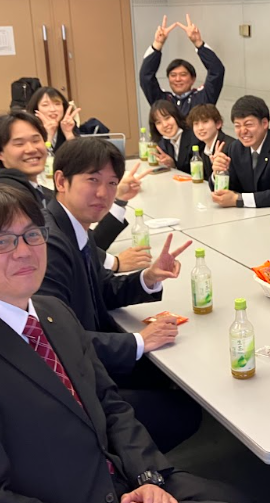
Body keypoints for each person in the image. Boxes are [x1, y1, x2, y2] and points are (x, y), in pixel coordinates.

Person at [0, 185, 255, 503]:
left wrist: (147, 476)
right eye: (2, 242)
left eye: (32, 235)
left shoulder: (52, 313)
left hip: (112, 475)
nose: (24, 251)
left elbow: (109, 403)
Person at [37, 137, 202, 452]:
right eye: (93, 180)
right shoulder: (49, 245)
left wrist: (147, 278)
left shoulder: (73, 226)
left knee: (172, 369)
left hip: (90, 357)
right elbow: (56, 341)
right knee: (186, 411)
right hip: (72, 386)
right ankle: (121, 467)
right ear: (60, 181)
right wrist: (139, 341)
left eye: (112, 183)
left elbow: (101, 290)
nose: (103, 193)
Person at [0, 112, 146, 271]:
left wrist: (119, 199)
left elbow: (81, 237)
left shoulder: (37, 190)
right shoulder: (9, 200)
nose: (31, 149)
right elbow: (65, 248)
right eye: (19, 144)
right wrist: (114, 263)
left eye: (36, 140)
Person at [208, 95, 270, 213]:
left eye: (248, 124)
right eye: (237, 126)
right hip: (253, 215)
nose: (243, 131)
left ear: (265, 123)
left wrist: (238, 199)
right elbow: (231, 189)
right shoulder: (236, 148)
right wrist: (218, 173)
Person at [140, 14, 225, 116]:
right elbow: (146, 77)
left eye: (183, 75)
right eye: (173, 75)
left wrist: (198, 43)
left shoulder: (203, 98)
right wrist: (157, 44)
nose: (178, 79)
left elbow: (217, 71)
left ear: (193, 79)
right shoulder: (162, 100)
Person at [187, 104, 235, 180]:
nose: (200, 128)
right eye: (196, 124)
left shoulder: (230, 146)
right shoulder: (203, 148)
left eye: (205, 122)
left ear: (218, 124)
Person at [149, 99, 194, 173]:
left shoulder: (193, 137)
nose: (165, 125)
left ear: (176, 116)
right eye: (158, 122)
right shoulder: (163, 142)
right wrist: (172, 164)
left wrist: (175, 166)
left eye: (167, 118)